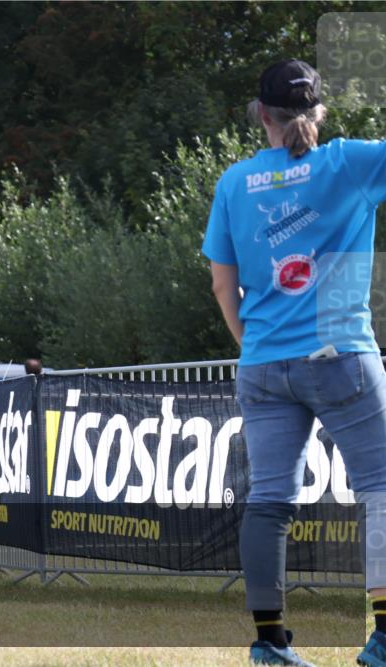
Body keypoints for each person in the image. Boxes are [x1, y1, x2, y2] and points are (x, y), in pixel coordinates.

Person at [203, 59, 386, 666]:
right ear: (319, 114)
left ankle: (270, 643)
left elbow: (223, 288)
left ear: (260, 115)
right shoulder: (347, 162)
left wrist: (251, 344)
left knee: (270, 501)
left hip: (262, 363)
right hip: (341, 356)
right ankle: (384, 636)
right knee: (382, 491)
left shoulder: (234, 183)